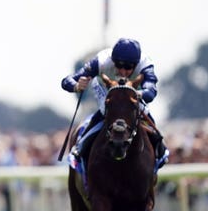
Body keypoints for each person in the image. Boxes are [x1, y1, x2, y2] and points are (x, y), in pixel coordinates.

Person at [61, 37, 168, 167]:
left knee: (143, 112)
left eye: (128, 67)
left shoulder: (145, 65)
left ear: (136, 64)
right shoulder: (100, 61)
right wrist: (77, 86)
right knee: (107, 111)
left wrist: (135, 94)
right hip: (105, 89)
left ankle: (160, 150)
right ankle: (80, 146)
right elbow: (66, 81)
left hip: (134, 92)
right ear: (112, 61)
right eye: (118, 65)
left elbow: (151, 92)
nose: (122, 72)